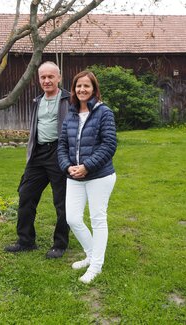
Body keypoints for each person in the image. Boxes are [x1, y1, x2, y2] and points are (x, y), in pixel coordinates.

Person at [4, 61, 70, 259]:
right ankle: (25, 241)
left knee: (62, 202)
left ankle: (60, 244)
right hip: (38, 154)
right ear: (39, 79)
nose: (47, 80)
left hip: (59, 153)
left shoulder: (69, 100)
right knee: (26, 195)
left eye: (51, 77)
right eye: (43, 77)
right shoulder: (37, 101)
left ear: (58, 78)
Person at [57, 70, 117, 283]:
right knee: (72, 217)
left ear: (94, 89)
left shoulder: (104, 112)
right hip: (74, 176)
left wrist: (87, 166)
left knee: (98, 219)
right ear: (73, 90)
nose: (82, 90)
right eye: (78, 86)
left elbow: (109, 144)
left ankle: (96, 266)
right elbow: (62, 145)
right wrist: (67, 167)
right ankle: (91, 255)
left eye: (86, 86)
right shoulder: (71, 114)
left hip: (99, 175)